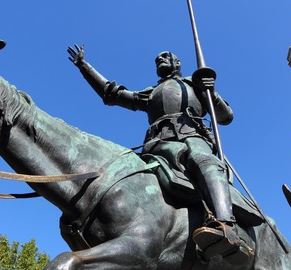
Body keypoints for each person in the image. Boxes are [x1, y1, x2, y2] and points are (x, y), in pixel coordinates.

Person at [67, 45, 239, 257]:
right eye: (157, 58)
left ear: (178, 63)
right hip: (157, 145)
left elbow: (225, 117)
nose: (160, 58)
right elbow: (113, 95)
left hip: (191, 139)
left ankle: (225, 225)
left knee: (204, 161)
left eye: (166, 56)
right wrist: (85, 67)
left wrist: (210, 92)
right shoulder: (152, 92)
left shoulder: (193, 85)